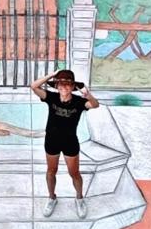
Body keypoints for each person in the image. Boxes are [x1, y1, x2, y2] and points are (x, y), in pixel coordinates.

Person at [30, 69, 100, 219]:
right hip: (51, 141)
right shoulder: (51, 97)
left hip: (70, 142)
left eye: (67, 84)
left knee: (74, 173)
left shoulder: (79, 102)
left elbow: (95, 105)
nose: (64, 87)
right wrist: (51, 75)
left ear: (73, 86)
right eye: (61, 84)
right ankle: (51, 198)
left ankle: (79, 198)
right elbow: (34, 86)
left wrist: (88, 95)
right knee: (51, 171)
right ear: (57, 86)